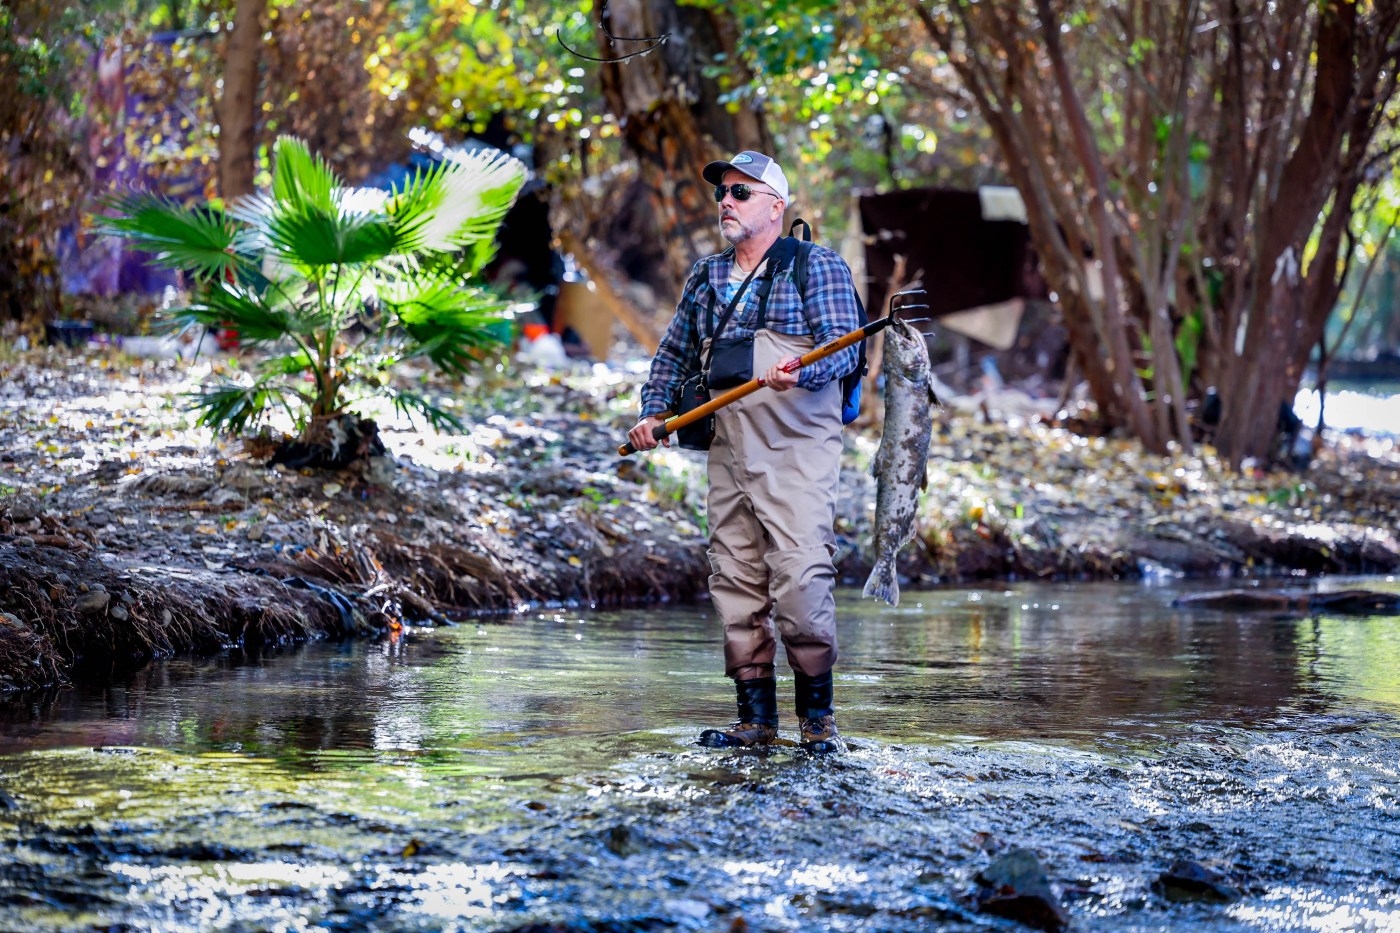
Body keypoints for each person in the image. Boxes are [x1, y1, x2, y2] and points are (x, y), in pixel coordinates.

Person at [627, 150, 864, 753]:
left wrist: (801, 374)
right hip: (728, 450)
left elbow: (846, 352)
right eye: (723, 194)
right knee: (735, 581)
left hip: (797, 450)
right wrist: (653, 414)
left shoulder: (817, 268)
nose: (726, 202)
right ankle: (756, 722)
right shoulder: (705, 278)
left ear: (775, 206)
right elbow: (675, 357)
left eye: (741, 192)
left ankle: (818, 722)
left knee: (802, 580)